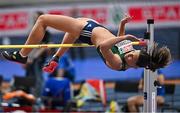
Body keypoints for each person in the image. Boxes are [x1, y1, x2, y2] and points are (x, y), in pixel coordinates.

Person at [1, 14, 171, 73]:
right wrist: (122, 26)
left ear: (134, 65)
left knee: (43, 20)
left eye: (132, 56)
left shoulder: (117, 63)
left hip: (87, 31)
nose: (130, 52)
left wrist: (123, 37)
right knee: (69, 34)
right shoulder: (129, 55)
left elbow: (103, 47)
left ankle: (22, 55)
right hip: (90, 26)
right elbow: (118, 43)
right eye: (133, 51)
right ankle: (56, 58)